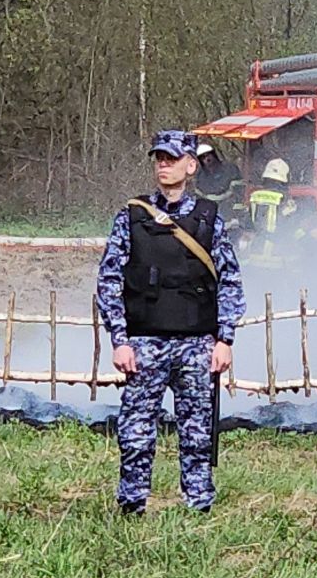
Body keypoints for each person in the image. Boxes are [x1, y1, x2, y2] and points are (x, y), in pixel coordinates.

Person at [96, 130, 244, 515]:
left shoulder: (210, 220)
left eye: (172, 158)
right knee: (136, 431)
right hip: (144, 343)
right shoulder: (132, 216)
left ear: (191, 166)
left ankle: (198, 506)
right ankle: (131, 506)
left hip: (197, 345)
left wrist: (225, 339)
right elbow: (109, 279)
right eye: (159, 157)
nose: (164, 164)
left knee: (197, 431)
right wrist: (120, 340)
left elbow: (229, 280)